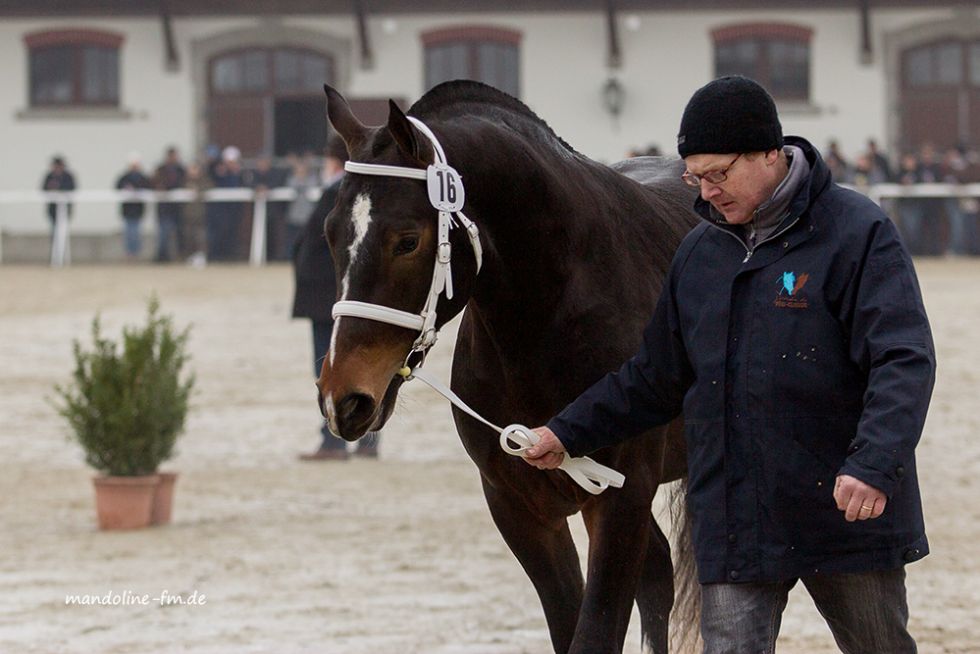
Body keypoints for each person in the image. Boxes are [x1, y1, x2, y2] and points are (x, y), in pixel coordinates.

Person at [522, 76, 935, 653]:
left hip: (845, 509)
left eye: (718, 173)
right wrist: (565, 432)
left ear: (769, 153)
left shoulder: (859, 233)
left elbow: (903, 359)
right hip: (736, 517)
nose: (708, 191)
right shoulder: (698, 252)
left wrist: (874, 463)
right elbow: (653, 378)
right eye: (695, 177)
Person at [293, 135, 381, 461]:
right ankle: (367, 439)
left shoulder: (339, 192)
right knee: (360, 367)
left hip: (327, 298)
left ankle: (335, 441)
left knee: (331, 371)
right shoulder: (354, 192)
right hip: (333, 297)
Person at [115, 152, 152, 260]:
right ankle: (129, 253)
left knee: (136, 232)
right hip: (127, 209)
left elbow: (147, 188)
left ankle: (136, 253)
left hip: (138, 209)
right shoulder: (124, 177)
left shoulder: (142, 178)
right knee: (128, 233)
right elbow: (117, 187)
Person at [153, 146, 188, 262]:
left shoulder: (181, 170)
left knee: (180, 234)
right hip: (164, 208)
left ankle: (180, 256)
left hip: (178, 208)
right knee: (163, 233)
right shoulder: (160, 170)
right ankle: (162, 257)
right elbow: (153, 183)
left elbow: (185, 184)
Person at [41, 155, 76, 230]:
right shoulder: (49, 176)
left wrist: (59, 188)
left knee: (63, 226)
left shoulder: (68, 176)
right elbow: (44, 188)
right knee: (54, 226)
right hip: (52, 206)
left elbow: (72, 188)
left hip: (66, 205)